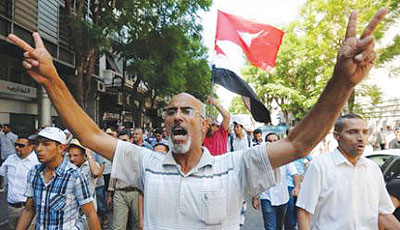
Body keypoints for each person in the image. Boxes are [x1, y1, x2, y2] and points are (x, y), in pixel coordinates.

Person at [9, 8, 386, 229]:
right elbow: (90, 135)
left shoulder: (235, 166)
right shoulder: (147, 164)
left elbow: (300, 142)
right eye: (171, 110)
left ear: (205, 125)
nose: (176, 115)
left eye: (187, 110)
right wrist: (53, 79)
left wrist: (342, 81)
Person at [296, 114, 398, 229]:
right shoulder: (320, 166)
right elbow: (304, 211)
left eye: (365, 132)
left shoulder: (373, 168)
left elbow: (383, 212)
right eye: (352, 132)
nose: (360, 138)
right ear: (336, 136)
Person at [16, 127, 100, 230]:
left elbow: (90, 213)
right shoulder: (34, 172)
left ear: (61, 148)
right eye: (37, 144)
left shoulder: (74, 175)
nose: (39, 149)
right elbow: (29, 209)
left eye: (46, 144)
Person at [253, 133, 300, 230]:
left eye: (275, 141)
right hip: (266, 197)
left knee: (279, 225)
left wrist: (297, 187)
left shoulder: (285, 157)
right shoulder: (261, 159)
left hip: (282, 198)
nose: (272, 143)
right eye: (269, 141)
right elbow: (257, 179)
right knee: (270, 227)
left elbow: (295, 173)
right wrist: (255, 196)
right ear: (266, 143)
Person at [0, 137, 39, 229]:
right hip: (12, 208)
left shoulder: (37, 163)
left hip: (28, 208)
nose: (17, 148)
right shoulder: (10, 159)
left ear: (31, 147)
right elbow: (1, 172)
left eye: (21, 146)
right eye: (16, 145)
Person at [0, 124, 18, 191]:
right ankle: (4, 186)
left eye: (5, 128)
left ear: (9, 129)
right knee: (3, 171)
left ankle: (8, 186)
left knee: (10, 171)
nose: (3, 129)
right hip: (3, 156)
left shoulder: (13, 136)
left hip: (11, 155)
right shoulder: (2, 136)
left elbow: (16, 145)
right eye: (3, 128)